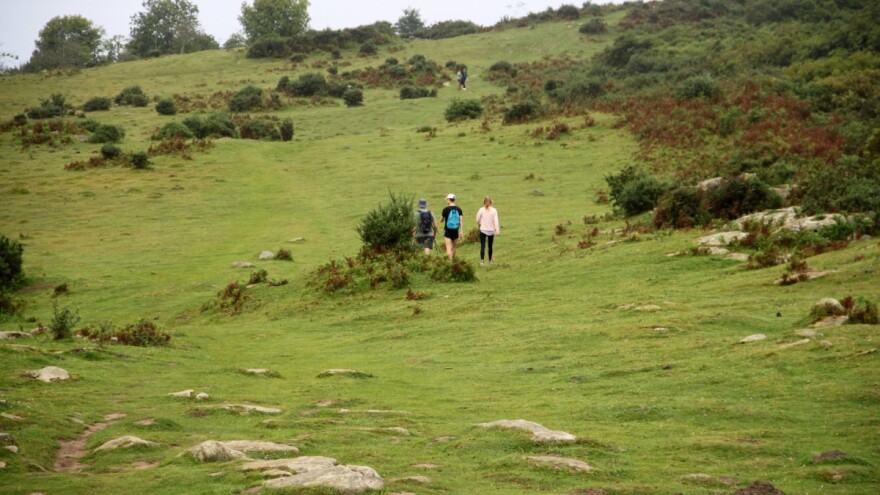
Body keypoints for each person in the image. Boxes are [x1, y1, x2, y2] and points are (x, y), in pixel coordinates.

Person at [475, 196, 500, 265]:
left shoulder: (481, 210)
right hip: (491, 231)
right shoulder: (494, 210)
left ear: (484, 202)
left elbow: (477, 219)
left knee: (482, 245)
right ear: (491, 202)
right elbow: (496, 221)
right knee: (490, 246)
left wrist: (480, 223)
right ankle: (490, 260)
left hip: (483, 230)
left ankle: (482, 261)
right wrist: (497, 229)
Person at [441, 193, 463, 259]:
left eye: (447, 199)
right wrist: (461, 231)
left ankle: (450, 263)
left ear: (449, 200)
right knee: (454, 248)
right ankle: (453, 261)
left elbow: (441, 220)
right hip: (455, 230)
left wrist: (441, 219)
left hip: (447, 230)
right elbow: (461, 221)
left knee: (448, 249)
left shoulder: (445, 209)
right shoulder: (459, 209)